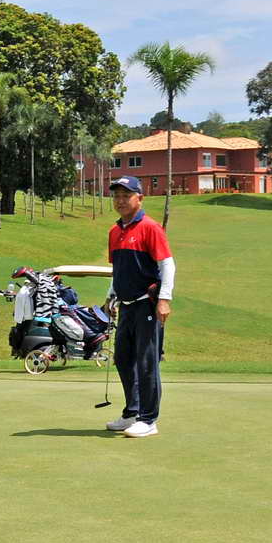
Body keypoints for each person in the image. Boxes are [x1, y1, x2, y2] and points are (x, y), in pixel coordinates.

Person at [105, 176, 174, 437]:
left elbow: (167, 265)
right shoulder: (115, 232)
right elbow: (118, 270)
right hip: (126, 305)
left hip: (147, 305)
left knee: (146, 362)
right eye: (117, 196)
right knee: (123, 359)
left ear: (140, 199)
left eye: (126, 195)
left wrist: (164, 299)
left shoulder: (150, 227)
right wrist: (111, 295)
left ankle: (148, 419)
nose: (120, 200)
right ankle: (132, 413)